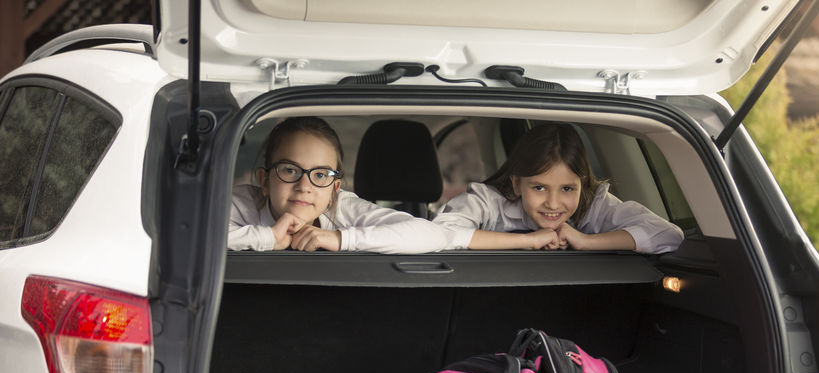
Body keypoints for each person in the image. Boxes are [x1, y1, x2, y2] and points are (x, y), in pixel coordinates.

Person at [433, 123, 684, 254]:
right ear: (516, 184)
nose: (553, 204)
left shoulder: (594, 206)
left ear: (581, 185)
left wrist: (586, 242)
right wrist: (527, 241)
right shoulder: (487, 202)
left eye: (567, 189)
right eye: (539, 187)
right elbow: (443, 233)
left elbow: (668, 235)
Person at [228, 116, 449, 253]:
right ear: (264, 181)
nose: (304, 186)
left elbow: (433, 235)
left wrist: (340, 238)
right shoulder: (240, 204)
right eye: (290, 170)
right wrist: (267, 237)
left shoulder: (342, 209)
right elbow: (193, 239)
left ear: (334, 190)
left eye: (321, 175)